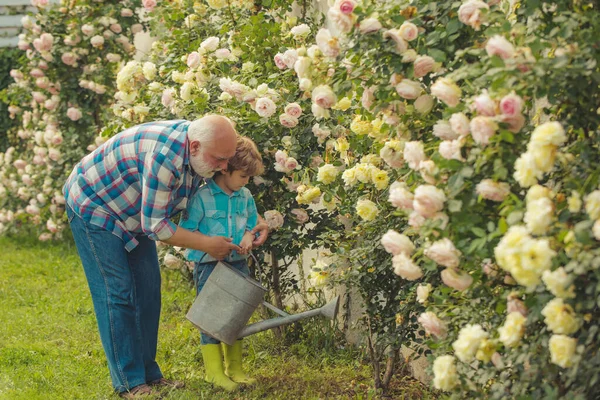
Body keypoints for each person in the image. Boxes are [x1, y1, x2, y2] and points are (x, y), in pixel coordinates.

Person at [63, 115, 268, 398]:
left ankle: (150, 374)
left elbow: (232, 193)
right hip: (96, 206)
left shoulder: (203, 153)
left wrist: (258, 221)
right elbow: (157, 227)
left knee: (148, 289)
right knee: (118, 293)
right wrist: (207, 244)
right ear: (194, 147)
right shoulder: (164, 158)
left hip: (136, 211)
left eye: (227, 160)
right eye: (220, 160)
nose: (224, 167)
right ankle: (129, 382)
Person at [179, 135, 264, 391]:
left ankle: (234, 368)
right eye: (243, 176)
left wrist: (249, 237)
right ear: (225, 168)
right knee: (212, 318)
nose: (246, 182)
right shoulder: (201, 198)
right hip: (209, 266)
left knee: (235, 316)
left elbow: (252, 223)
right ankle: (213, 372)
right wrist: (209, 243)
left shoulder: (245, 196)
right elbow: (187, 230)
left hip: (239, 263)